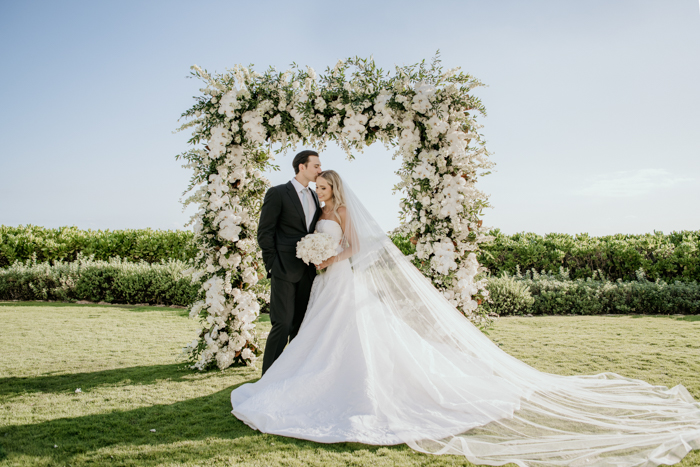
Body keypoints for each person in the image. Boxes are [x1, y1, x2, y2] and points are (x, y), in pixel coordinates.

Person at [234, 171, 700, 467]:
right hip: (323, 283)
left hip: (339, 277)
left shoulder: (340, 211)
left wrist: (330, 258)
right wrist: (317, 255)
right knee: (319, 333)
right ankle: (304, 376)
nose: (319, 190)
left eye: (324, 185)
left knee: (347, 334)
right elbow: (305, 236)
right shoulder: (314, 208)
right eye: (317, 185)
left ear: (334, 186)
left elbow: (353, 246)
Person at [256, 150, 322, 375]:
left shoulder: (315, 196)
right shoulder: (277, 193)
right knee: (282, 324)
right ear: (301, 167)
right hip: (283, 268)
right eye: (316, 166)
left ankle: (290, 376)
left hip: (308, 271)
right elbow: (265, 231)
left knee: (299, 327)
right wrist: (272, 264)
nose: (319, 170)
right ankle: (267, 378)